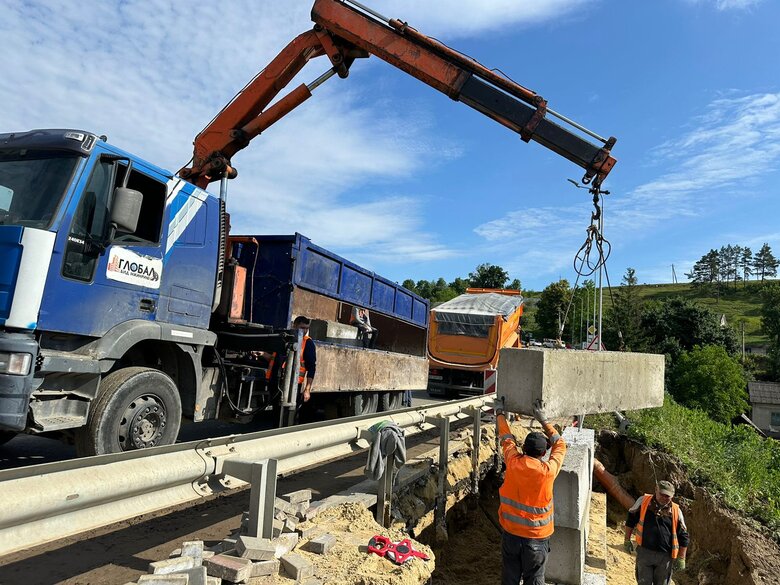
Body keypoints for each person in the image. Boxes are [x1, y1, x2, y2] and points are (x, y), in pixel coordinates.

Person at [496, 399, 567, 585]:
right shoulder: (548, 471)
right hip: (537, 538)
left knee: (509, 579)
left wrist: (499, 413)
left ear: (524, 448)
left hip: (511, 535)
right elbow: (560, 444)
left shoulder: (513, 462)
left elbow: (506, 438)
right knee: (534, 580)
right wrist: (543, 420)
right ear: (544, 453)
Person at [624, 480, 689, 585]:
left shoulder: (676, 511)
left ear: (672, 496)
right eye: (661, 494)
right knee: (644, 582)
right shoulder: (643, 502)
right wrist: (627, 539)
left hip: (665, 557)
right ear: (656, 490)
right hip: (645, 553)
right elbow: (631, 520)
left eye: (667, 496)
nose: (664, 498)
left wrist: (681, 557)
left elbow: (684, 536)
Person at [292, 315, 316, 422]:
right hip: (280, 382)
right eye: (302, 328)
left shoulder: (308, 343)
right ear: (294, 326)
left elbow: (311, 368)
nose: (305, 331)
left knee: (291, 414)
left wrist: (307, 390)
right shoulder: (288, 338)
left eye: (307, 328)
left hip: (294, 385)